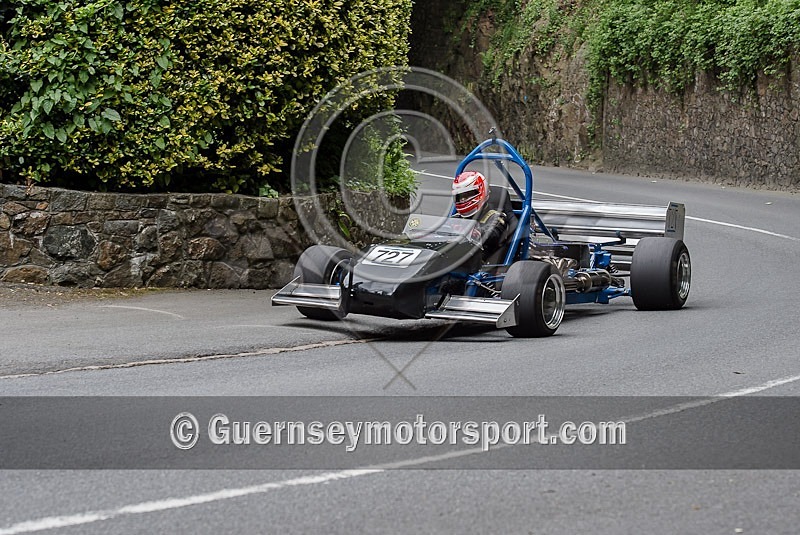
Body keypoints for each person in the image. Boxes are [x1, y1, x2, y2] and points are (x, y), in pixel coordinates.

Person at [452, 171, 511, 260]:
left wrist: (475, 233)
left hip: (481, 263)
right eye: (460, 196)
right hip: (454, 259)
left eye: (467, 195)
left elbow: (492, 235)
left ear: (481, 192)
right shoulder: (457, 217)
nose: (463, 200)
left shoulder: (496, 217)